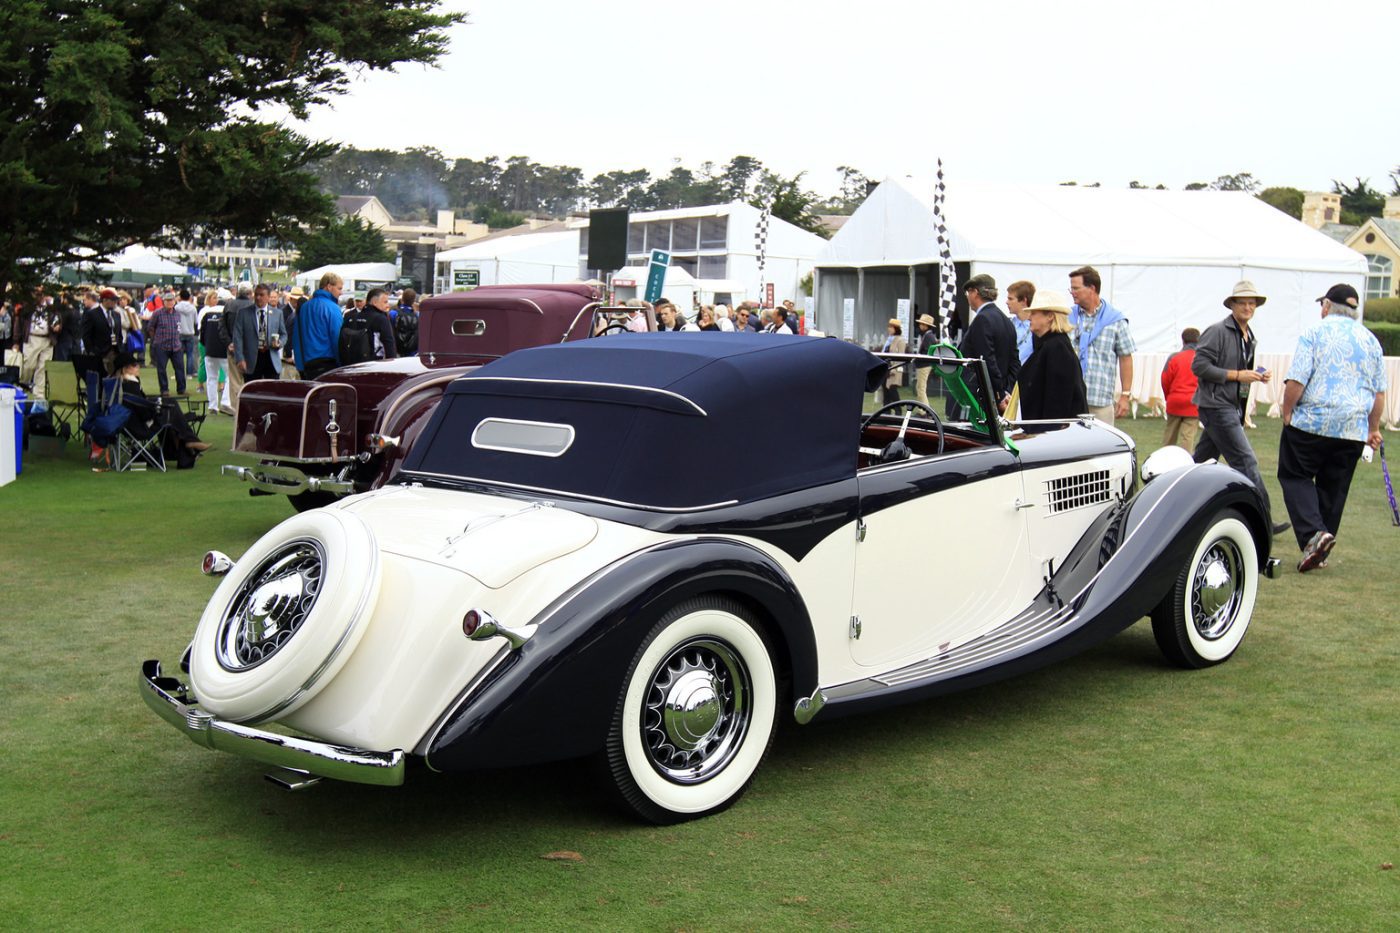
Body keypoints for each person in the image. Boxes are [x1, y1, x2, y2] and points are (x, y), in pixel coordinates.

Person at [1277, 284, 1388, 573]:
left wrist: (1287, 411)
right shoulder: (1371, 341)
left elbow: (1297, 379)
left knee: (1294, 474)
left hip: (1313, 421)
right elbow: (1379, 393)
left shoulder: (1315, 333)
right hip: (1351, 427)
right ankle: (1319, 550)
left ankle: (1314, 535)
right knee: (1333, 488)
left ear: (1327, 305)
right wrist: (1372, 428)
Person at [1191, 281, 1289, 536]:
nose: (1247, 307)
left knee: (1200, 462)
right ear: (1232, 305)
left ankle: (1175, 504)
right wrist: (1237, 375)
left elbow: (1238, 370)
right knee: (1246, 461)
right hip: (1217, 406)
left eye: (1251, 303)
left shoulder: (1248, 335)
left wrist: (1256, 375)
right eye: (1242, 302)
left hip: (1227, 406)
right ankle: (1263, 520)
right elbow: (1199, 366)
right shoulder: (1217, 331)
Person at [98, 350, 210, 467]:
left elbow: (140, 405)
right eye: (134, 365)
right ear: (125, 369)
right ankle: (189, 443)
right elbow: (144, 413)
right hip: (138, 428)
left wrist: (155, 404)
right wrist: (156, 408)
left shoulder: (117, 384)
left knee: (171, 409)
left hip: (127, 426)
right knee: (171, 409)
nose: (138, 367)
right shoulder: (131, 385)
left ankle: (188, 445)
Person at [1068, 265, 1135, 423]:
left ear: (1091, 288)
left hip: (1100, 399)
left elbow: (1126, 358)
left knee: (1101, 447)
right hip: (1071, 398)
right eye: (1071, 288)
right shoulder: (1068, 317)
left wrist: (1125, 395)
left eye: (1076, 288)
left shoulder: (1115, 320)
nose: (1072, 292)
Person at [1015, 289, 1087, 423]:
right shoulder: (1048, 345)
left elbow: (1058, 402)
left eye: (1034, 313)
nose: (1029, 317)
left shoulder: (1057, 348)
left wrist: (1046, 435)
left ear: (1050, 316)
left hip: (1052, 435)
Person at [956, 273, 1019, 415]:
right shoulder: (1006, 320)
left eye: (968, 292)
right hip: (997, 397)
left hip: (979, 400)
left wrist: (999, 395)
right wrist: (1007, 391)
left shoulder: (982, 319)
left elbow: (986, 361)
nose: (967, 297)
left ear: (975, 292)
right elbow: (1014, 362)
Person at [292, 273, 345, 380]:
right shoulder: (333, 308)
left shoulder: (305, 306)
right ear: (329, 287)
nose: (341, 292)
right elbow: (337, 338)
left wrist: (300, 364)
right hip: (327, 363)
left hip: (306, 364)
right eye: (339, 288)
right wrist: (341, 364)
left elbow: (296, 336)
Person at [232, 283, 289, 381]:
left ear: (268, 297)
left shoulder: (277, 313)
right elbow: (237, 337)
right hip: (252, 359)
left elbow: (284, 334)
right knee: (252, 390)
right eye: (256, 294)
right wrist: (240, 358)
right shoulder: (243, 313)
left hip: (271, 358)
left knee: (272, 391)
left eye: (261, 295)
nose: (258, 298)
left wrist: (280, 343)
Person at [1160, 327, 1201, 451]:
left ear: (1183, 341)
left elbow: (1165, 379)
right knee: (1187, 437)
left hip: (1175, 400)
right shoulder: (1201, 358)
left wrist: (1169, 396)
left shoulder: (1174, 357)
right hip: (1193, 402)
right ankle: (1185, 461)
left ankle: (1164, 459)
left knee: (1170, 435)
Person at [198, 291, 231, 412]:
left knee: (211, 378)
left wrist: (206, 345)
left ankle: (212, 405)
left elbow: (202, 332)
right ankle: (225, 401)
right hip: (223, 351)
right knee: (229, 377)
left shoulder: (207, 313)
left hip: (209, 350)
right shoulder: (227, 313)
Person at [363, 288, 398, 359]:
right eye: (385, 302)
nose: (388, 305)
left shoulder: (352, 317)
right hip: (374, 363)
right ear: (374, 302)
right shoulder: (381, 319)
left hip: (353, 364)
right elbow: (389, 345)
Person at [1006, 280, 1035, 365]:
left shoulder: (1037, 327)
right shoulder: (1008, 324)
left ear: (1023, 301)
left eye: (1010, 299)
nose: (1007, 302)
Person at [912, 313, 938, 405]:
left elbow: (928, 352)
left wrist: (918, 357)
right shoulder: (928, 336)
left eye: (922, 324)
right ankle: (923, 410)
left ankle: (924, 411)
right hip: (924, 365)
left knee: (921, 389)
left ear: (926, 326)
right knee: (920, 388)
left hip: (924, 365)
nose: (920, 326)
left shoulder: (928, 336)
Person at [879, 318, 907, 404]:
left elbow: (900, 357)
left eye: (891, 327)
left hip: (894, 368)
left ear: (896, 329)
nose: (889, 329)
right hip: (886, 367)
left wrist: (894, 369)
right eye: (889, 326)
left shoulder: (900, 340)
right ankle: (886, 411)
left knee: (892, 389)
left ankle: (898, 409)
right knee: (885, 391)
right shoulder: (889, 340)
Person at [174, 288, 199, 383]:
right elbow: (196, 321)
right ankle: (189, 373)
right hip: (190, 332)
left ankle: (180, 372)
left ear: (180, 297)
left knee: (179, 355)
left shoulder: (176, 307)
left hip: (179, 332)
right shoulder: (193, 308)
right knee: (190, 354)